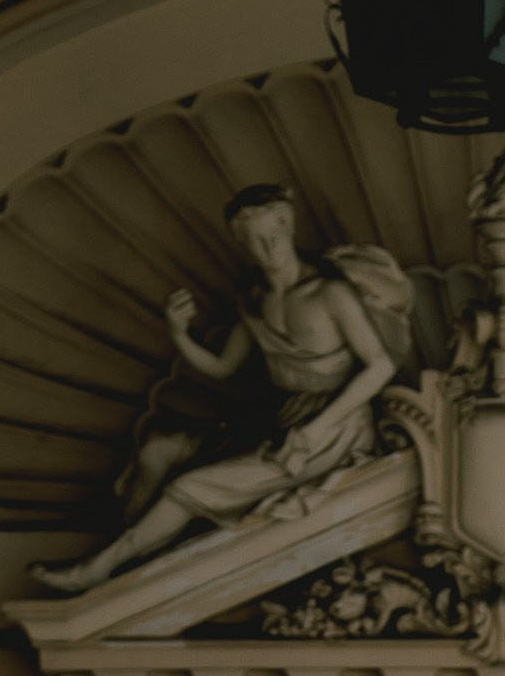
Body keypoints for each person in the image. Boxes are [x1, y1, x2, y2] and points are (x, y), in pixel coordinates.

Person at [33, 185, 414, 594]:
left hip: (336, 429)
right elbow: (223, 366)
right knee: (163, 450)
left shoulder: (329, 293)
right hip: (285, 420)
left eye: (275, 235)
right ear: (242, 242)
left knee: (188, 487)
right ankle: (131, 558)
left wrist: (319, 428)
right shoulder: (255, 299)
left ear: (288, 227)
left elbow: (380, 366)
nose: (269, 248)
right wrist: (179, 333)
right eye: (257, 240)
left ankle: (99, 569)